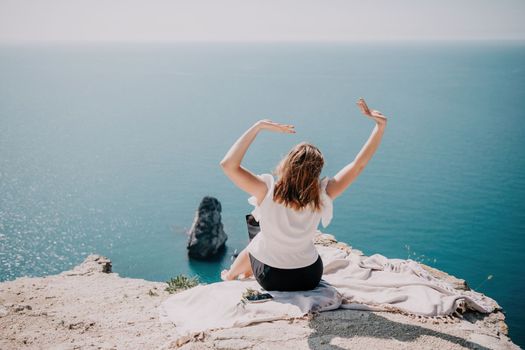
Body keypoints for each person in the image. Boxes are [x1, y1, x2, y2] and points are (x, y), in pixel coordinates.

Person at [219, 98, 387, 291]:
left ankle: (231, 275)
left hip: (272, 277)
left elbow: (228, 164)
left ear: (287, 164)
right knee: (259, 235)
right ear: (317, 171)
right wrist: (379, 127)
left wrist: (258, 127)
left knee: (257, 235)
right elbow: (358, 165)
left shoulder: (266, 191)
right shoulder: (323, 194)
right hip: (308, 276)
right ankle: (236, 272)